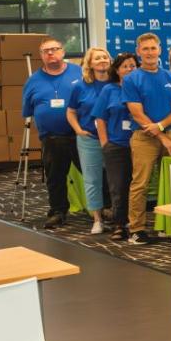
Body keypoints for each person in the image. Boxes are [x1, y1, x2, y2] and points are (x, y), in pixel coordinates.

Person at [122, 33, 171, 244]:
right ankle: (136, 229)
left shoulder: (170, 77)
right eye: (145, 49)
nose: (149, 52)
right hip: (144, 137)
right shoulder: (131, 79)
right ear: (139, 52)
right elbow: (137, 113)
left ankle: (167, 226)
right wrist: (162, 136)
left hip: (169, 132)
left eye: (153, 48)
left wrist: (161, 128)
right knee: (140, 184)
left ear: (160, 50)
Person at [22, 36, 84, 230]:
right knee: (55, 178)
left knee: (94, 173)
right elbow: (27, 110)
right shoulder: (33, 81)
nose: (51, 53)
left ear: (63, 52)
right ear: (41, 56)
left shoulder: (80, 72)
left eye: (54, 49)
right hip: (51, 138)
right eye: (46, 51)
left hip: (81, 135)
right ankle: (58, 211)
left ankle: (106, 208)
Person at [90, 52, 137, 241]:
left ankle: (135, 223)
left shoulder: (141, 87)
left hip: (140, 144)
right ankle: (119, 224)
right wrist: (105, 144)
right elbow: (100, 118)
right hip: (116, 145)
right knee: (118, 186)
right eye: (125, 66)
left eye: (133, 66)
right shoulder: (109, 90)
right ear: (117, 70)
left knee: (137, 186)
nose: (129, 69)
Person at [65, 47, 113, 235]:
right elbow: (70, 111)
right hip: (89, 139)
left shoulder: (118, 83)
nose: (102, 60)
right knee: (92, 180)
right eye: (97, 58)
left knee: (117, 180)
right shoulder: (80, 86)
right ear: (90, 63)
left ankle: (119, 218)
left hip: (115, 139)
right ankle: (98, 220)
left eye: (105, 57)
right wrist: (78, 130)